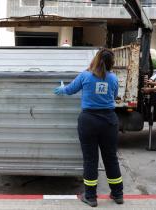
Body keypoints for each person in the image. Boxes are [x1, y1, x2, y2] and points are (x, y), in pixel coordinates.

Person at [54, 48, 123, 207]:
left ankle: (91, 197)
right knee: (111, 158)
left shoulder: (85, 75)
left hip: (89, 121)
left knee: (91, 159)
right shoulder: (113, 78)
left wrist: (62, 89)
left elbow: (70, 90)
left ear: (96, 59)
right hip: (109, 121)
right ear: (111, 63)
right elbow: (113, 96)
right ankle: (118, 194)